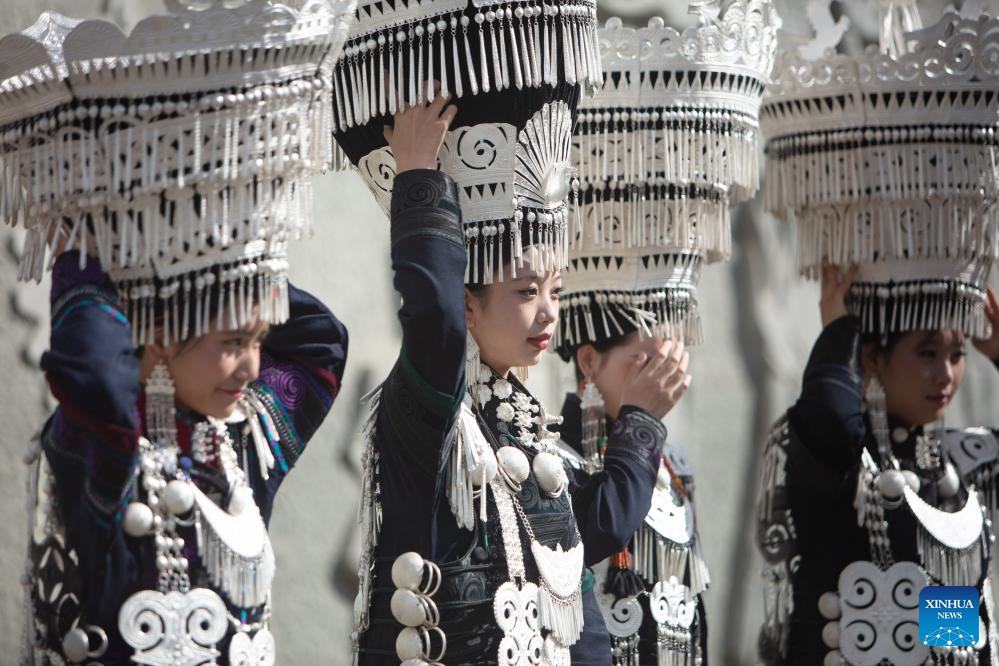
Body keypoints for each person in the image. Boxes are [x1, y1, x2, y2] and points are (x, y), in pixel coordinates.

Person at [352, 87, 615, 663]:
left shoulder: (528, 430)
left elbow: (580, 618)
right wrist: (418, 179)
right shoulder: (434, 413)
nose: (547, 311)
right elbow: (436, 323)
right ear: (468, 305)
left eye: (554, 291)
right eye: (525, 291)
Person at [25, 245, 347, 664]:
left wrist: (220, 245)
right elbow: (94, 372)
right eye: (233, 342)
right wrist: (101, 244)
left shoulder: (247, 442)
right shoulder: (101, 444)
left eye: (259, 340)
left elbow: (321, 340)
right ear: (160, 339)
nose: (251, 368)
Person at [757, 265, 999, 665]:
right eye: (927, 353)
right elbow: (831, 416)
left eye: (958, 355)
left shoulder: (953, 462)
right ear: (871, 357)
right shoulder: (840, 457)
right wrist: (839, 332)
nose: (946, 375)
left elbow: (944, 635)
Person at [555, 330, 706, 666]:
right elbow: (604, 527)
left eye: (671, 361)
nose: (663, 379)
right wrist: (642, 421)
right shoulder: (551, 463)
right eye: (646, 362)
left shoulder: (674, 463)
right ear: (589, 361)